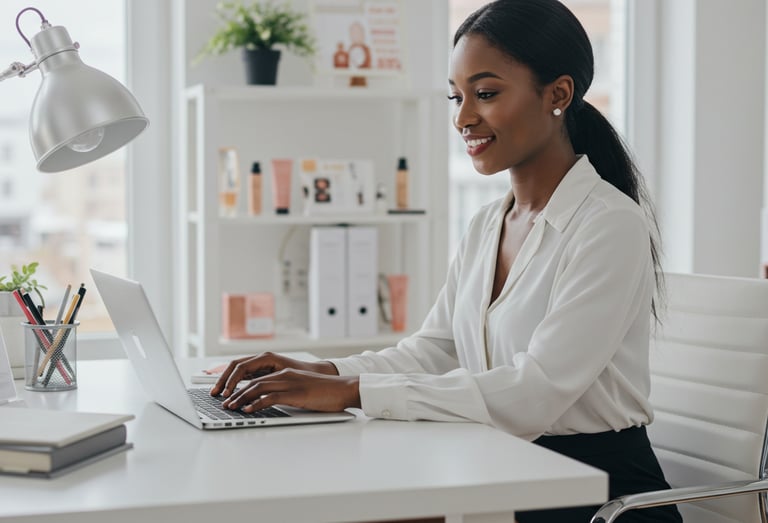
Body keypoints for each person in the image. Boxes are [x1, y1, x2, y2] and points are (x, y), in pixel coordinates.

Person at [211, 1, 682, 521]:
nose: (462, 118)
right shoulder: (487, 223)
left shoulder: (609, 225)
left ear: (558, 94)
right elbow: (433, 351)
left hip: (597, 497)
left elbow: (536, 391)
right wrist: (320, 370)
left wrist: (350, 391)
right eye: (456, 97)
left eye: (485, 94)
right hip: (501, 469)